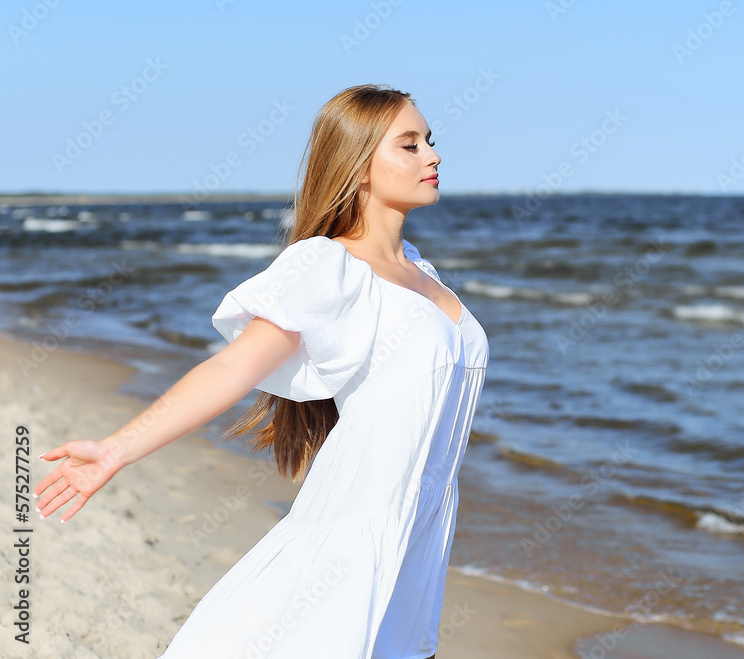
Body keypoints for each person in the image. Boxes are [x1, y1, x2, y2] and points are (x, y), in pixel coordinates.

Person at [32, 84, 490, 659]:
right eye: (409, 144)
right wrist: (116, 449)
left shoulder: (422, 270)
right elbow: (232, 367)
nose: (433, 155)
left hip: (420, 524)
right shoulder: (329, 266)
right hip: (356, 524)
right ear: (360, 168)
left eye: (429, 140)